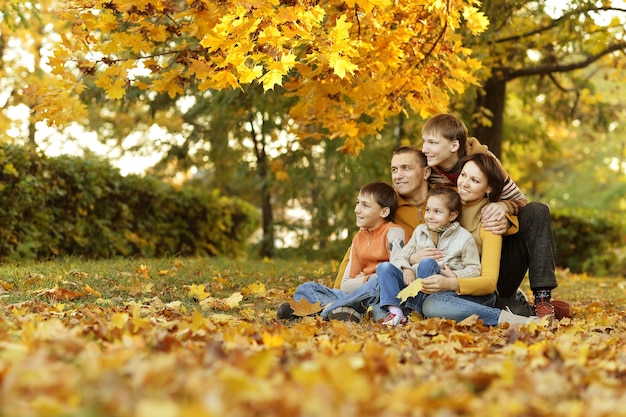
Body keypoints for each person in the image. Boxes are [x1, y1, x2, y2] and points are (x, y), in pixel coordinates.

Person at [420, 113, 571, 319]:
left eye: (432, 142)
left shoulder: (487, 164)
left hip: (494, 258)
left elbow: (522, 203)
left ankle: (542, 298)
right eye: (424, 141)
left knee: (537, 210)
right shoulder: (428, 170)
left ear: (454, 146)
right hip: (457, 263)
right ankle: (514, 308)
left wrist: (504, 206)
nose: (424, 148)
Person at [385, 153, 544, 326]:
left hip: (473, 290)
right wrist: (410, 261)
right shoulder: (446, 204)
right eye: (463, 175)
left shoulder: (490, 221)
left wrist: (452, 282)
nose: (464, 183)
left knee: (432, 306)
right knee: (423, 300)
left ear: (488, 188)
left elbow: (489, 283)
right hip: (439, 289)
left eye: (475, 180)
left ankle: (511, 319)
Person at [276, 181, 406, 321]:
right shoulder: (358, 238)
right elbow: (346, 285)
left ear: (384, 211)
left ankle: (323, 311)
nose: (357, 209)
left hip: (379, 296)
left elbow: (393, 276)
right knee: (306, 288)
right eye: (357, 203)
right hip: (356, 296)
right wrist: (370, 277)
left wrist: (368, 278)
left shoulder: (394, 232)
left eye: (365, 205)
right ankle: (342, 310)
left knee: (376, 284)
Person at [377, 186, 481, 326]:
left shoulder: (464, 238)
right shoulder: (420, 231)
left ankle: (414, 313)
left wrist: (455, 276)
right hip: (412, 282)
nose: (430, 216)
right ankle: (396, 312)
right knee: (384, 267)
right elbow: (399, 257)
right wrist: (406, 268)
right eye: (428, 210)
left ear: (452, 215)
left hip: (438, 288)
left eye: (437, 212)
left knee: (427, 263)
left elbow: (475, 269)